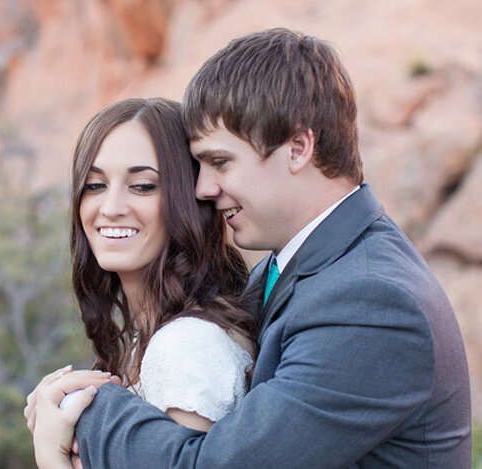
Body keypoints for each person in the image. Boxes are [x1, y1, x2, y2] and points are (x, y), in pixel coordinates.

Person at [27, 28, 472, 468]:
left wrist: (89, 405)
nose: (203, 188)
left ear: (298, 147)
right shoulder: (285, 272)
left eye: (220, 162)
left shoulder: (374, 301)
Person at [25, 97, 262, 468]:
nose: (112, 206)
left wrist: (51, 454)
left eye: (143, 186)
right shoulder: (153, 336)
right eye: (95, 185)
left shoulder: (186, 347)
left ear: (188, 200)